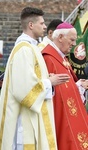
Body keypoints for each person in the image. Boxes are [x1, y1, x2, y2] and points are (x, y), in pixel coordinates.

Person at [0, 7, 70, 150]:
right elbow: (23, 90)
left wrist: (46, 78)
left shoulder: (31, 47)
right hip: (23, 120)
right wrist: (49, 82)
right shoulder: (24, 49)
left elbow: (29, 77)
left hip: (29, 115)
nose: (45, 26)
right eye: (42, 23)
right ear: (31, 25)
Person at [42, 22, 88, 150]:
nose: (74, 44)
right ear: (60, 37)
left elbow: (66, 86)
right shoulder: (49, 58)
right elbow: (53, 92)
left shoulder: (61, 57)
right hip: (60, 118)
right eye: (72, 40)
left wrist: (78, 86)